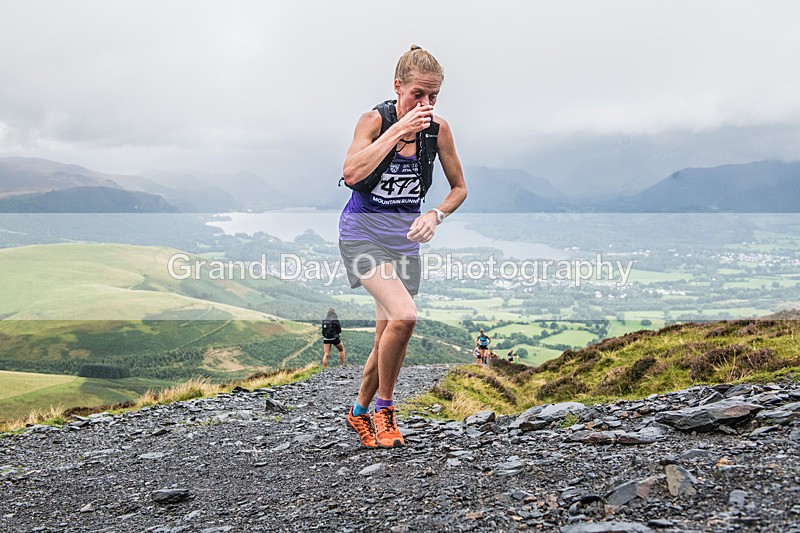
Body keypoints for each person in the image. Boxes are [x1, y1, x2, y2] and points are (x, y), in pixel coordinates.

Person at [340, 45, 467, 448]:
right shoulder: (374, 121)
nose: (425, 104)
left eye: (433, 97)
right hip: (361, 234)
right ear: (398, 87)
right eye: (417, 94)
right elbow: (351, 172)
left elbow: (459, 189)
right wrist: (398, 131)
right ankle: (385, 410)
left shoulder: (438, 131)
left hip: (403, 242)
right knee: (406, 316)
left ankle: (358, 412)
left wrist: (435, 215)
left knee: (387, 334)